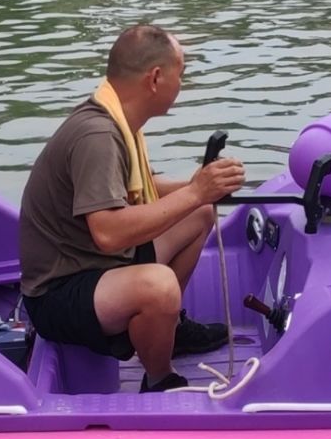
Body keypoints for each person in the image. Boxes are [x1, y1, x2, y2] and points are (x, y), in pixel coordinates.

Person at [19, 24, 246, 393]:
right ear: (155, 78)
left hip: (94, 262)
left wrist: (201, 187)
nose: (182, 84)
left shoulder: (117, 119)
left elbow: (142, 188)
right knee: (160, 286)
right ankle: (159, 378)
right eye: (180, 74)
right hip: (57, 293)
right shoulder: (97, 135)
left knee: (199, 213)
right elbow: (108, 233)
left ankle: (170, 329)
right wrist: (195, 192)